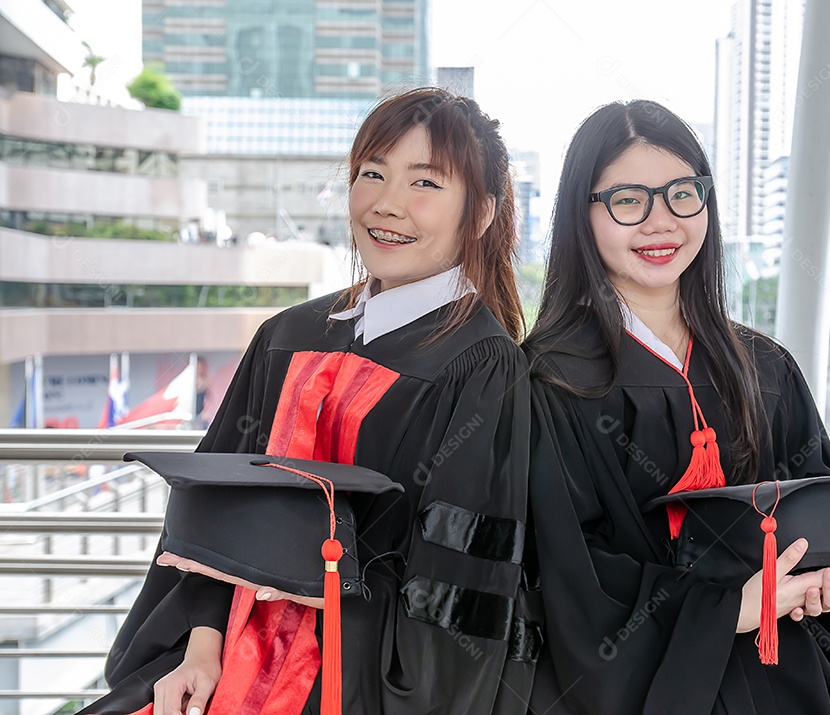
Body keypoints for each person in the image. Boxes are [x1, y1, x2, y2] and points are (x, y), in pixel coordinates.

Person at [83, 88, 538, 715]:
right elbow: (216, 507)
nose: (385, 204)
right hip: (216, 657)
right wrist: (202, 641)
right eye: (371, 175)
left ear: (481, 213)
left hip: (366, 684)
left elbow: (461, 592)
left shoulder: (483, 368)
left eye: (425, 184)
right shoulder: (287, 336)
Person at [524, 100, 830, 714]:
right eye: (627, 200)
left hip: (786, 668)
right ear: (581, 215)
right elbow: (565, 576)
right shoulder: (551, 381)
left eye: (681, 194)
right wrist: (733, 608)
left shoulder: (764, 366)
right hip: (649, 691)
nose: (660, 222)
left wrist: (829, 580)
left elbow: (821, 504)